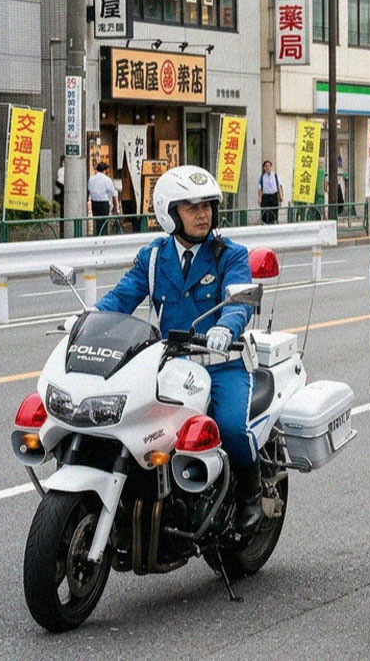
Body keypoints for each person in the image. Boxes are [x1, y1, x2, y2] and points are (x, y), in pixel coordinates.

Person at [94, 165, 264, 532]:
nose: (203, 214)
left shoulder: (229, 255)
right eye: (191, 207)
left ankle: (252, 495)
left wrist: (225, 326)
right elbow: (121, 298)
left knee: (232, 427)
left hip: (222, 363)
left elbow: (239, 302)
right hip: (170, 366)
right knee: (136, 425)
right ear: (170, 213)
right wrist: (87, 318)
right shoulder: (153, 258)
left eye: (207, 206)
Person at [87, 162, 120, 236]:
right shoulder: (107, 180)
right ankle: (103, 237)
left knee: (97, 221)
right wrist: (116, 206)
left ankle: (97, 235)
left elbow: (89, 190)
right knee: (104, 222)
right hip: (103, 203)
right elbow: (114, 194)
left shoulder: (91, 179)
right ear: (105, 170)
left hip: (94, 203)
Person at [257, 160, 282, 224]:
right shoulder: (262, 177)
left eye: (269, 166)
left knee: (274, 210)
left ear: (271, 167)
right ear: (264, 168)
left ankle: (274, 222)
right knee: (264, 210)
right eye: (266, 166)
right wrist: (259, 197)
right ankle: (264, 223)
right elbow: (259, 188)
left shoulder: (275, 176)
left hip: (274, 195)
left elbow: (279, 186)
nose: (267, 167)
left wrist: (280, 195)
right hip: (265, 196)